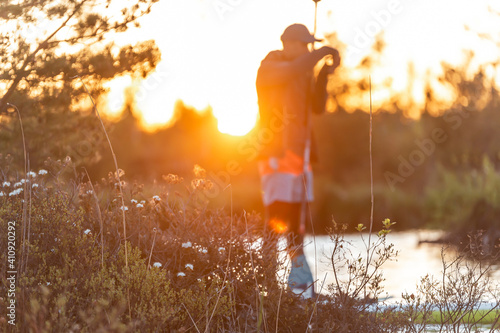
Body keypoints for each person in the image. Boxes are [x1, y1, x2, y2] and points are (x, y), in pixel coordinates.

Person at [255, 23, 340, 298]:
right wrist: (322, 52)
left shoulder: (302, 71)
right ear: (286, 43)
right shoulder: (270, 66)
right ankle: (266, 288)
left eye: (309, 45)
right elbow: (292, 70)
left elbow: (317, 107)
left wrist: (324, 74)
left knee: (297, 228)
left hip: (300, 158)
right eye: (303, 44)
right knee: (275, 223)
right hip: (276, 158)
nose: (307, 49)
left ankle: (302, 290)